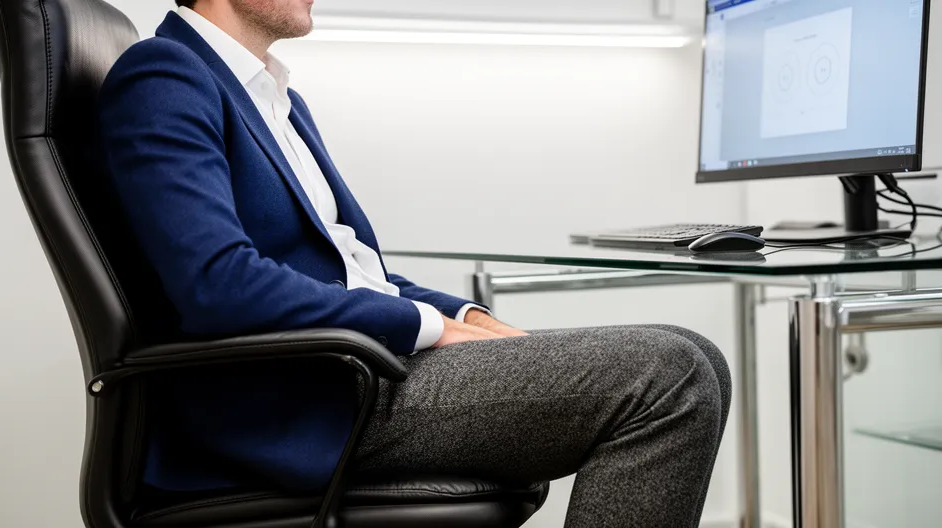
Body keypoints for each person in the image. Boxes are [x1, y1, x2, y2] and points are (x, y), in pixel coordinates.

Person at [98, 0, 732, 525]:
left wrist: (469, 317)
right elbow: (219, 284)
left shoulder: (277, 98)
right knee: (669, 373)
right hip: (311, 399)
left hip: (360, 369)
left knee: (698, 355)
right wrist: (429, 328)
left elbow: (357, 273)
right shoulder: (165, 75)